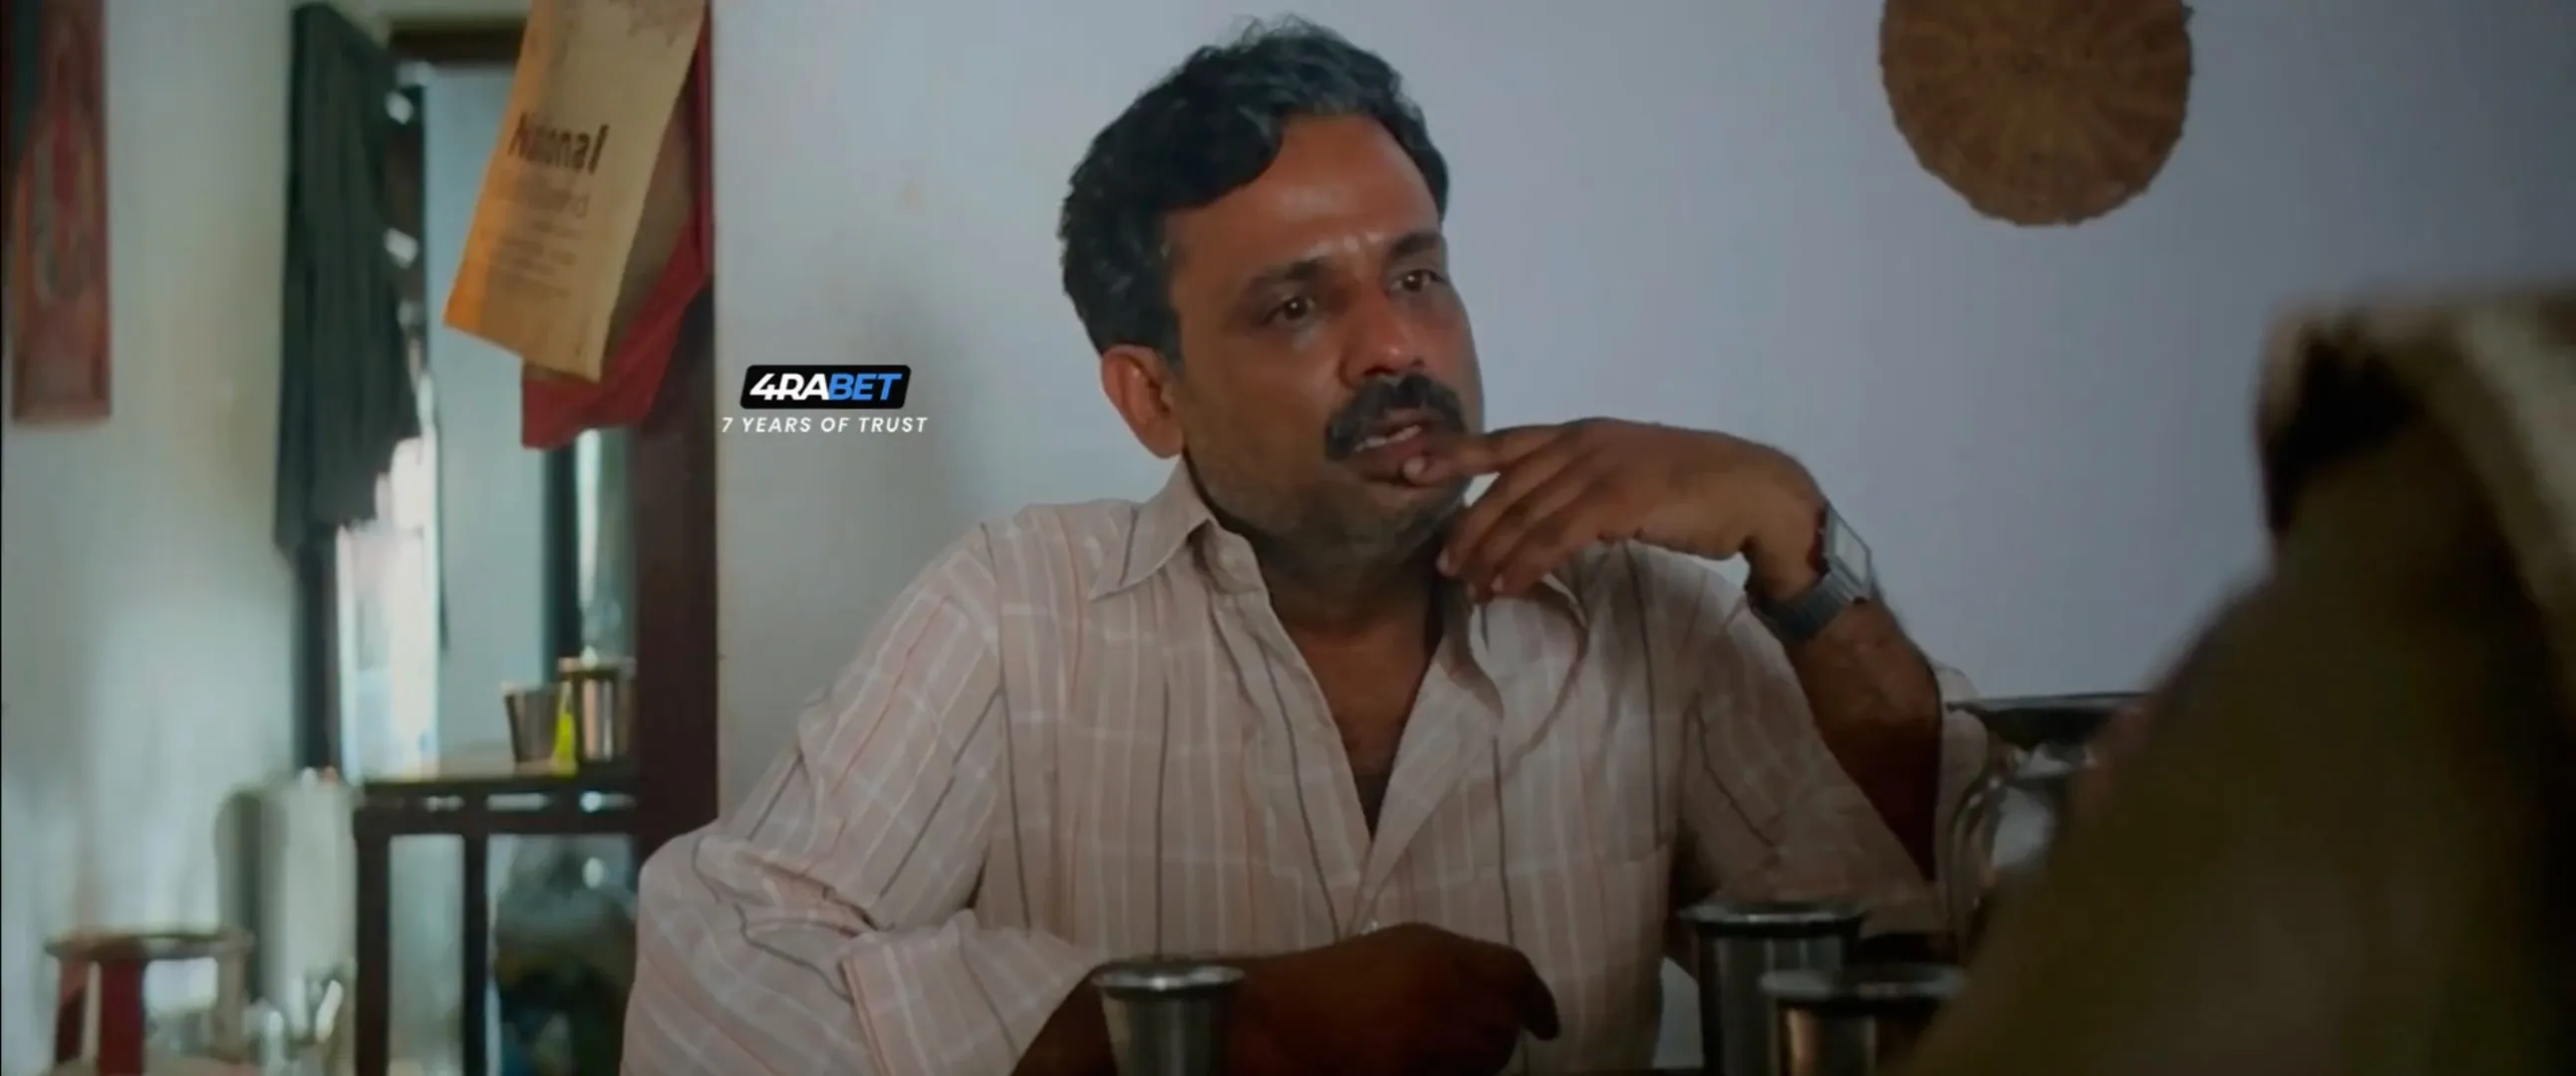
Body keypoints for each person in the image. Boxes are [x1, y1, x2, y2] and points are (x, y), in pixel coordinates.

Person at [623, 19, 1987, 1076]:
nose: (1395, 344)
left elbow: (1946, 930)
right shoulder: (1015, 614)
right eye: (1294, 306)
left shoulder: (1637, 614)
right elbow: (708, 984)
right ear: (1152, 397)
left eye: (1417, 274)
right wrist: (1228, 1021)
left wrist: (1794, 541)